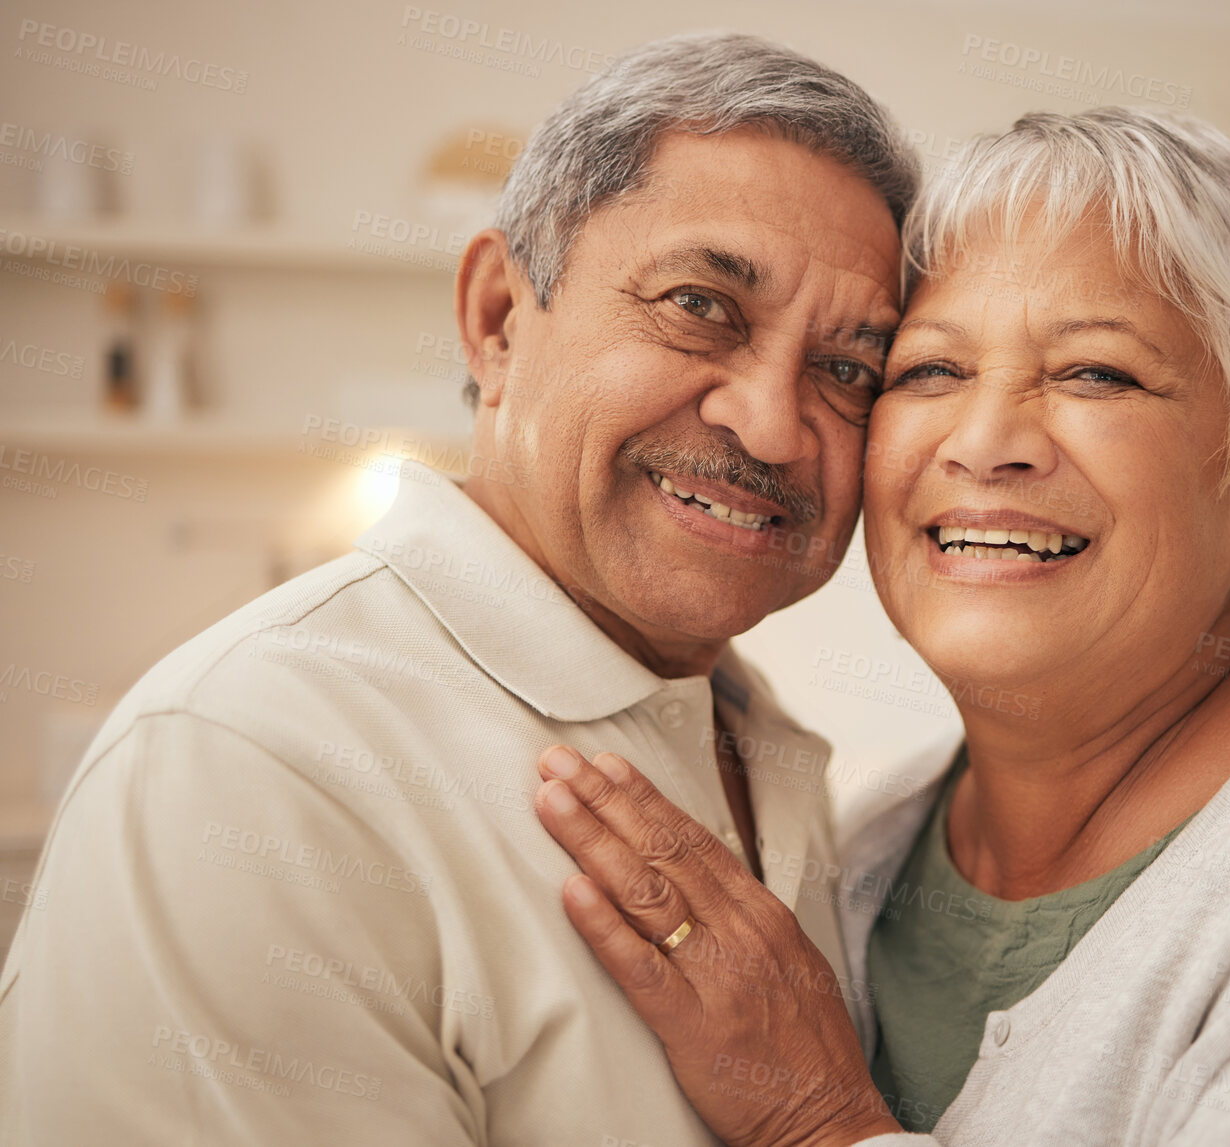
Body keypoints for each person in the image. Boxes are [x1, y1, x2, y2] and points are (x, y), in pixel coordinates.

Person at [530, 107, 1230, 1146]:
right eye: (930, 370)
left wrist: (821, 1124)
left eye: (1096, 372)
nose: (985, 441)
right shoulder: (874, 849)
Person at [0, 33, 918, 1145]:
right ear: (496, 319)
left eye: (848, 370)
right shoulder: (249, 765)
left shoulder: (760, 739)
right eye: (700, 305)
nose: (772, 422)